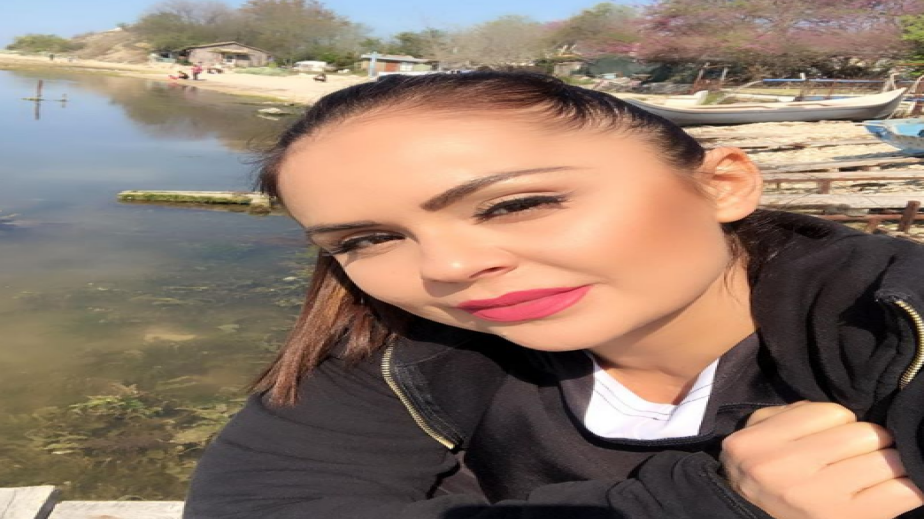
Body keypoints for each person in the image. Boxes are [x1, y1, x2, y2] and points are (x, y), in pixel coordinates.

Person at [185, 72, 924, 519]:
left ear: (720, 184)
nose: (449, 267)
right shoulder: (409, 351)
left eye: (517, 204)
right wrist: (709, 502)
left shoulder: (891, 319)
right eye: (367, 239)